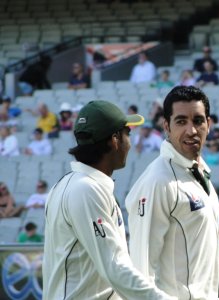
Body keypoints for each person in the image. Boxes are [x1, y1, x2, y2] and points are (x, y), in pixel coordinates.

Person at [42, 100, 176, 300]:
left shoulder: (67, 185)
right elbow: (114, 266)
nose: (130, 143)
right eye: (127, 134)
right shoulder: (86, 190)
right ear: (114, 140)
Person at [125, 86, 219, 299]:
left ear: (209, 124)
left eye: (198, 121)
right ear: (166, 126)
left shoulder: (200, 173)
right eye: (181, 121)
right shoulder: (158, 180)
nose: (191, 130)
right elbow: (142, 269)